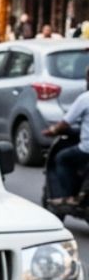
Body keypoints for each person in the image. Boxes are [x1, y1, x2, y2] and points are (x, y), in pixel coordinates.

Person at [43, 66, 89, 205]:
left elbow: (65, 123)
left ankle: (69, 196)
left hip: (87, 149)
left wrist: (52, 130)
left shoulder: (85, 99)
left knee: (62, 158)